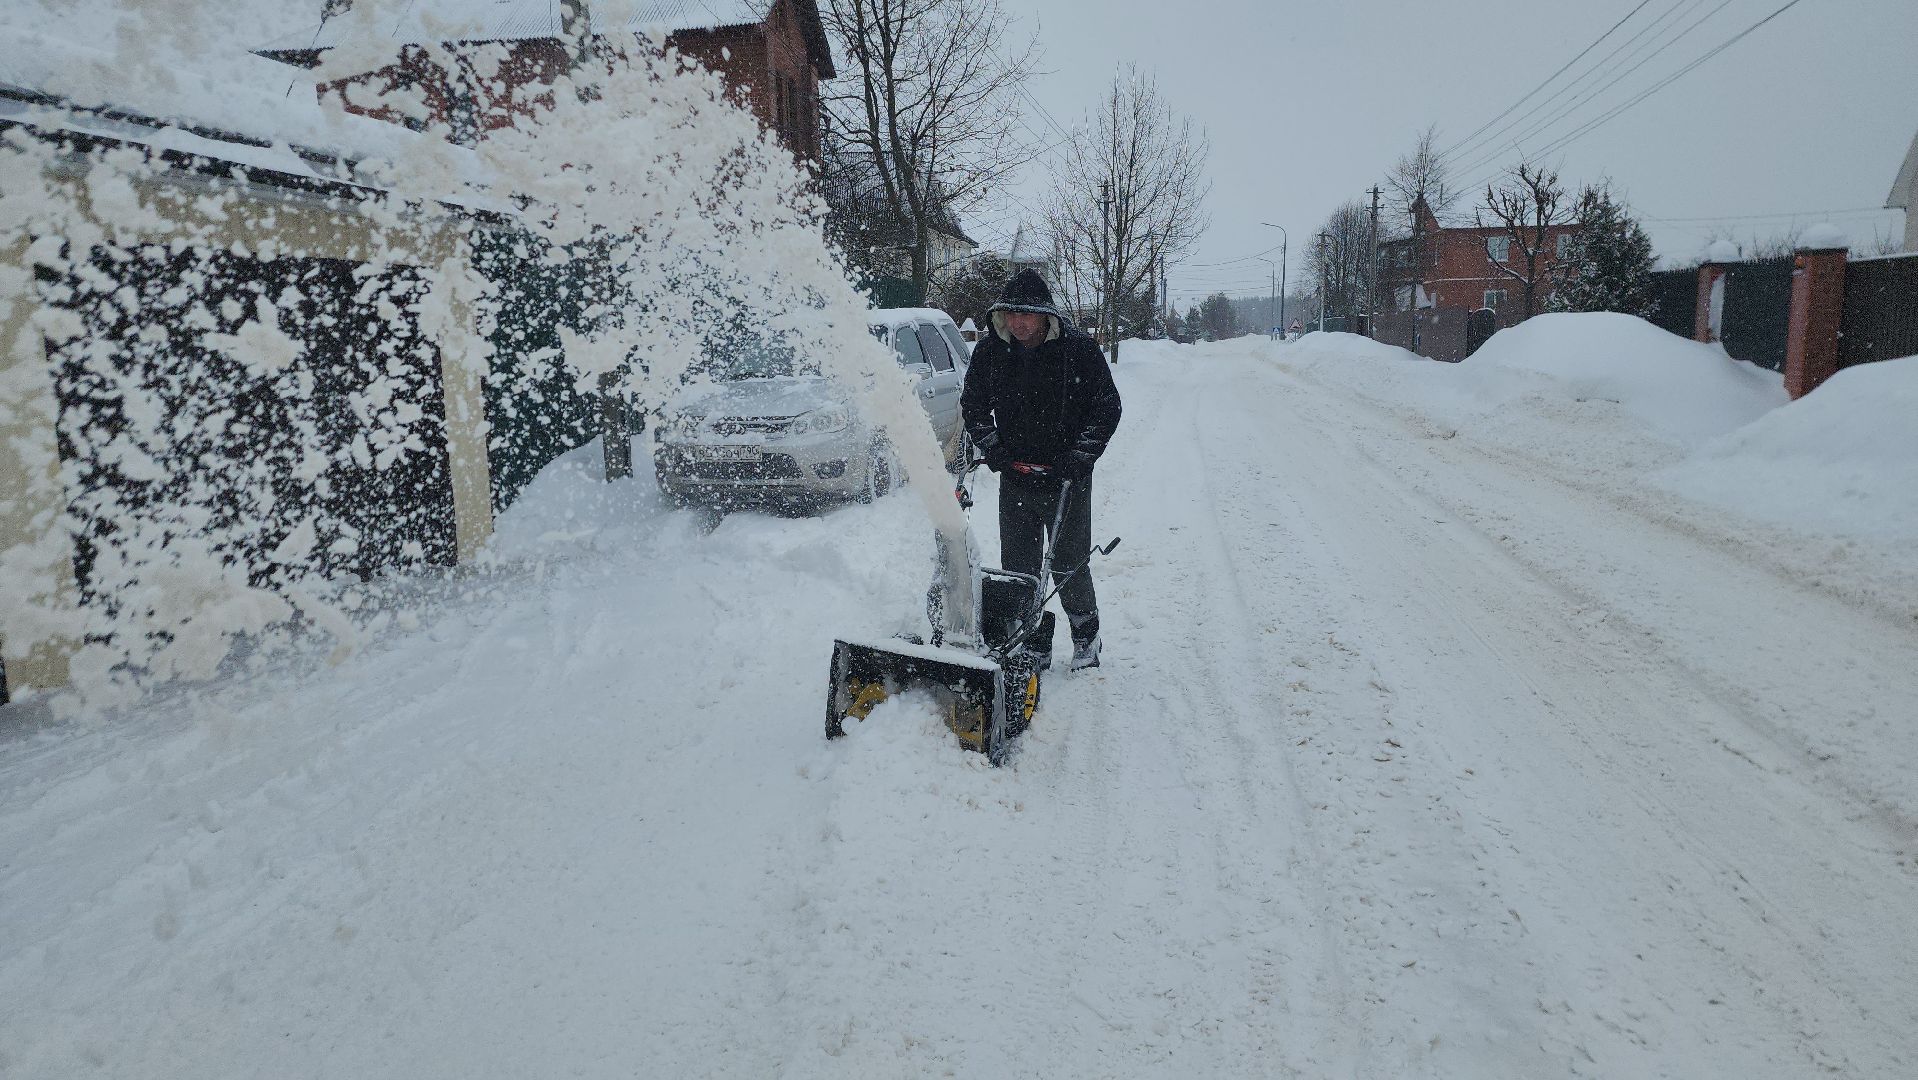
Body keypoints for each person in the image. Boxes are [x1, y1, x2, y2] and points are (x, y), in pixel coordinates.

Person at [961, 268, 1122, 671]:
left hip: (1065, 477)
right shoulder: (991, 352)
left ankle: (1086, 634)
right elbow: (974, 406)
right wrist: (993, 448)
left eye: (1026, 315)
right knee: (1019, 567)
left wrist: (1081, 456)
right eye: (1011, 314)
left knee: (1067, 563)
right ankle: (1035, 638)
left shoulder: (1079, 351)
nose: (1018, 323)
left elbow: (1107, 408)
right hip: (1015, 475)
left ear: (1044, 316)